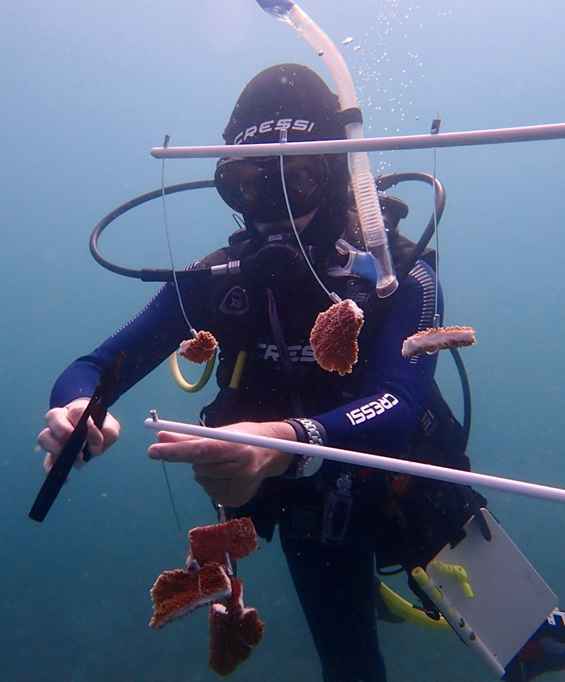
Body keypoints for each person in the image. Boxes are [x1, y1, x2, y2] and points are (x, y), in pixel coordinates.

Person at [38, 64, 565, 682]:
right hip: (314, 516)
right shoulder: (219, 284)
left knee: (541, 648)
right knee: (350, 669)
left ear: (338, 178)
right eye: (249, 186)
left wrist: (283, 443)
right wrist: (79, 407)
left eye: (300, 180)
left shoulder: (398, 278)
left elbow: (397, 404)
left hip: (410, 496)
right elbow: (96, 366)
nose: (271, 213)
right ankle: (372, 596)